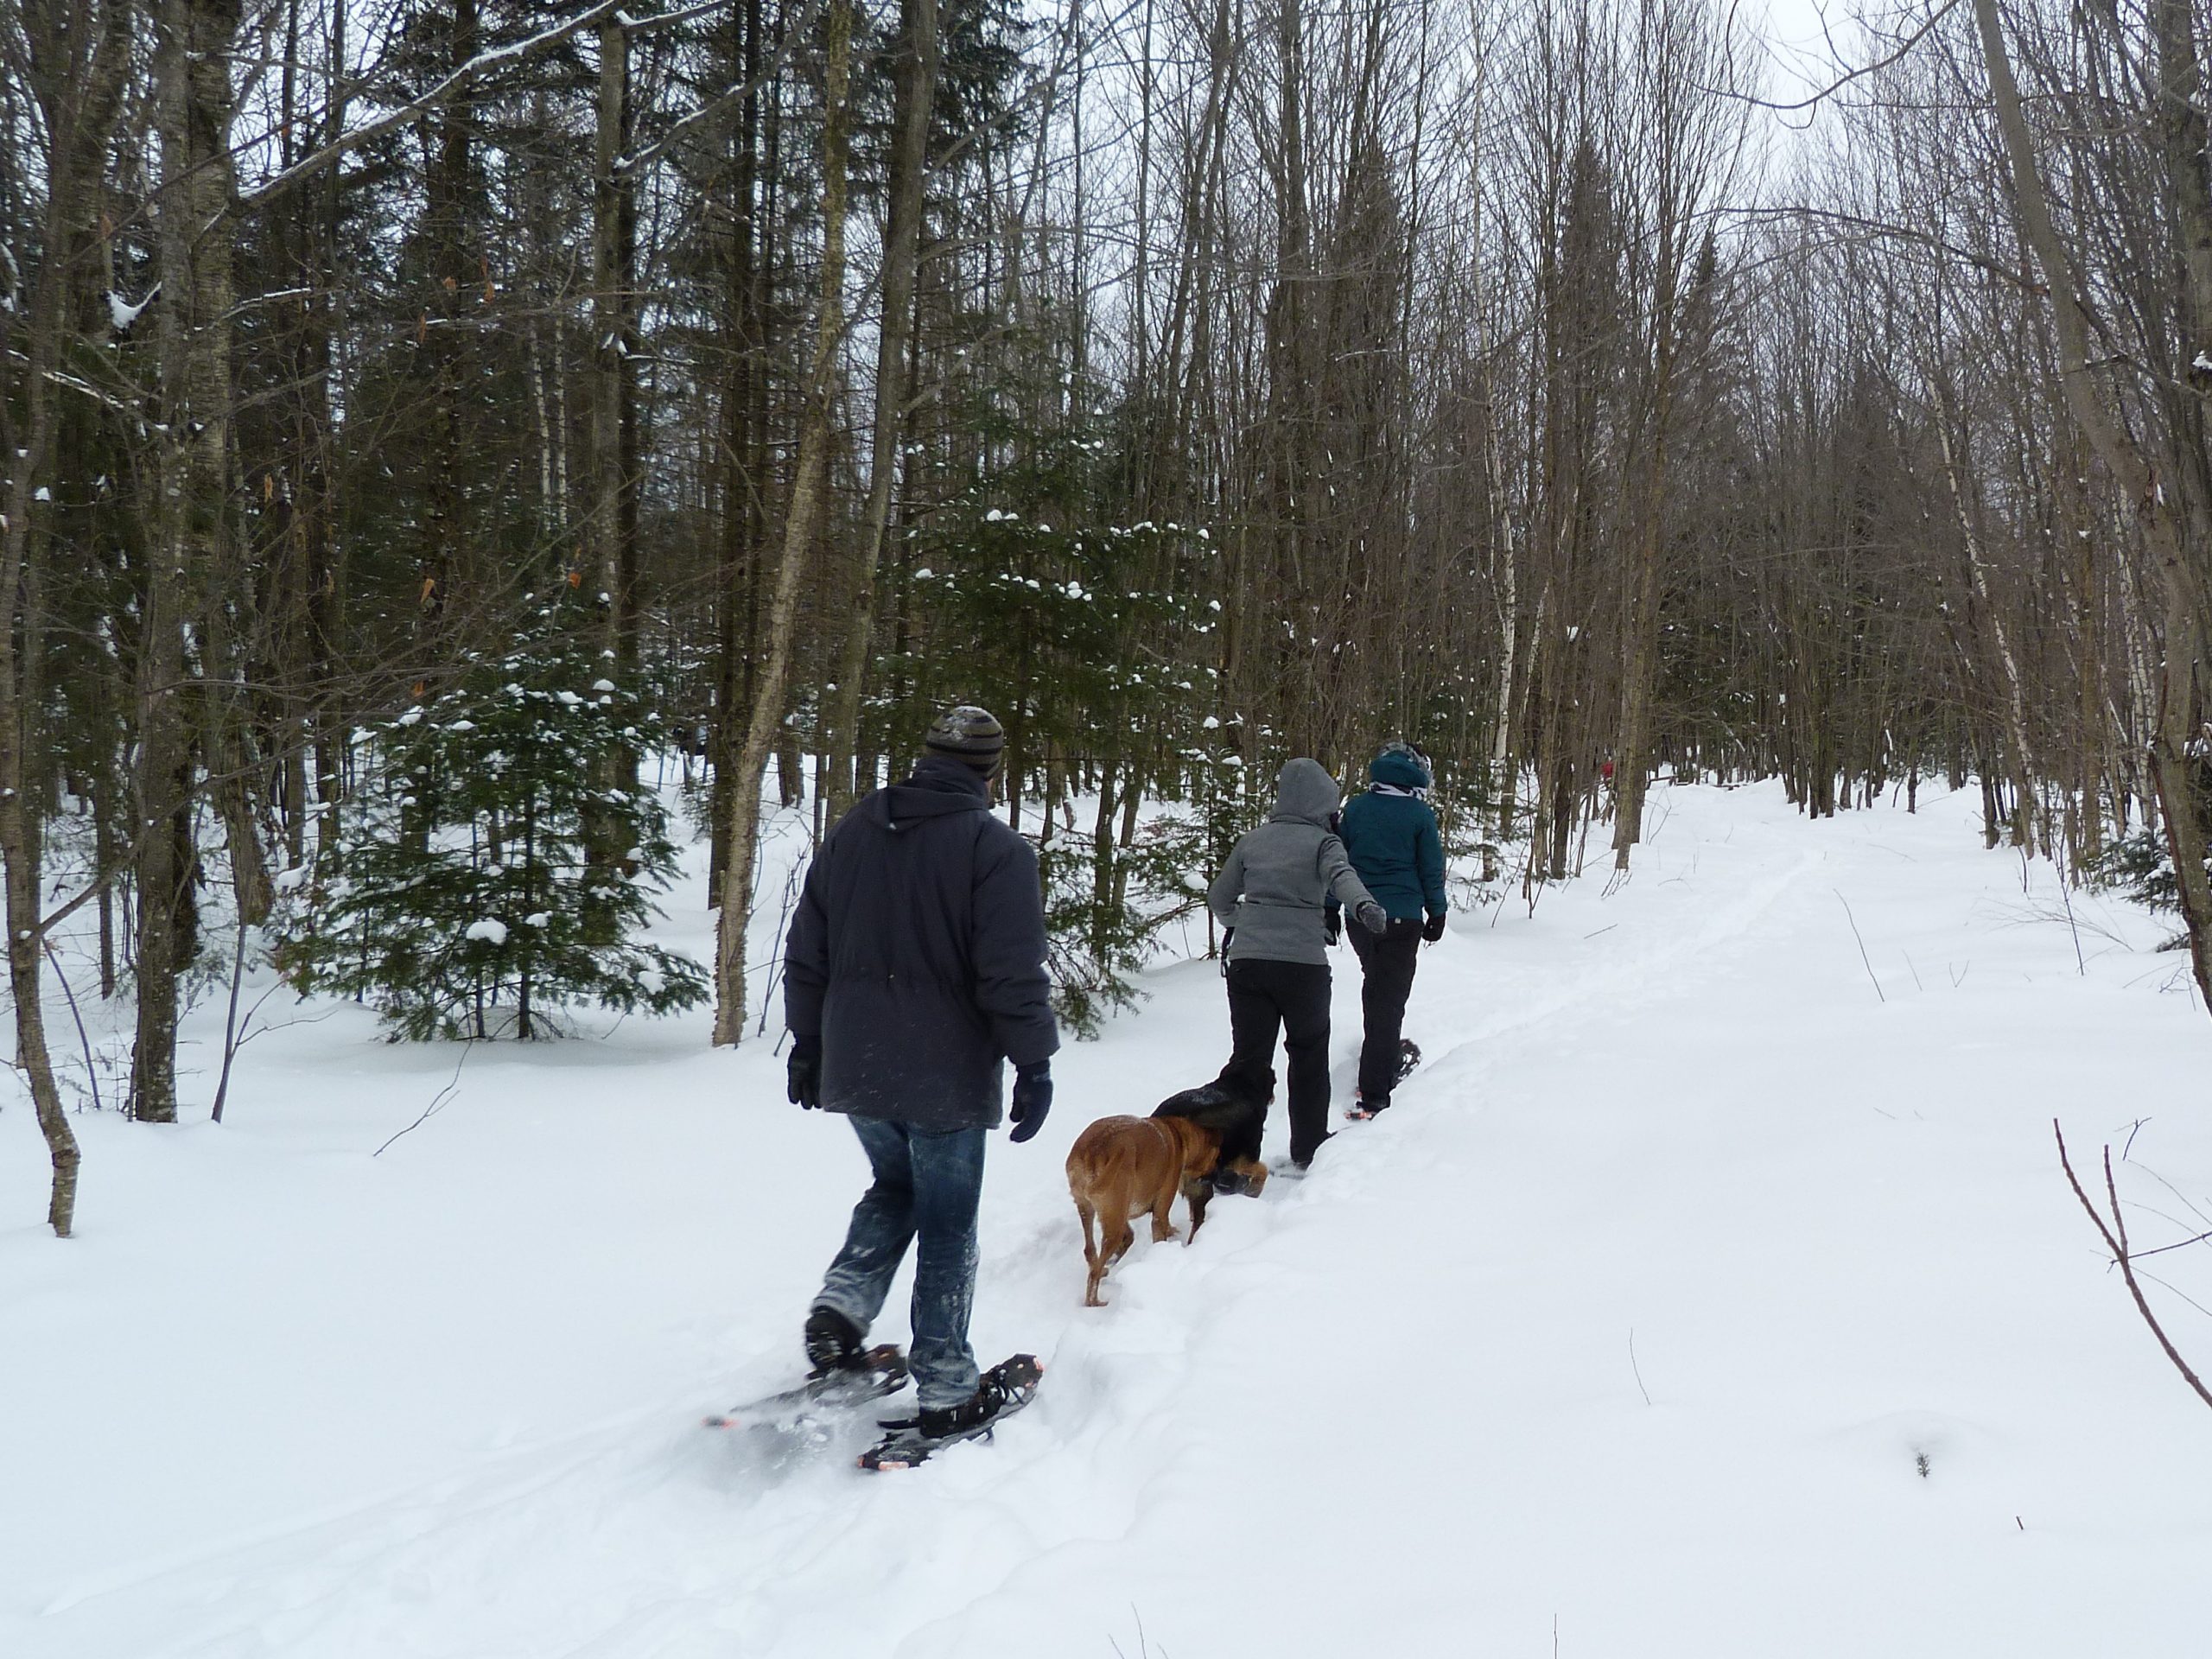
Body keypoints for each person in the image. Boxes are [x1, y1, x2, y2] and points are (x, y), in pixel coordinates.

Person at [782, 704, 1058, 1441]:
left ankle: (839, 1315)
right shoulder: (993, 850)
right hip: (943, 1072)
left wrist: (808, 1043)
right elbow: (1010, 972)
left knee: (896, 1185)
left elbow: (806, 949)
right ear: (990, 772)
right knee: (946, 1222)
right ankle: (946, 1386)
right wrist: (1034, 1062)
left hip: (855, 1060)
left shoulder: (851, 833)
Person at [1207, 758, 1388, 1171]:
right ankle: (1307, 1147)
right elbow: (1342, 878)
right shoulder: (1324, 844)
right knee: (1307, 1055)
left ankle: (1235, 1154)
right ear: (1324, 802)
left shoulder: (1253, 841)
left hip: (1248, 965)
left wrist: (1248, 923)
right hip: (1301, 967)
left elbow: (1219, 898)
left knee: (1249, 1061)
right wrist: (1364, 905)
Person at [1333, 740, 1448, 1119]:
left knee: (1377, 986)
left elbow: (1338, 862)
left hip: (1360, 917)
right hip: (1402, 918)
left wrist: (1330, 907)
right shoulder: (1419, 814)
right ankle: (1375, 1091)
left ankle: (1378, 1060)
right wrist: (1437, 910)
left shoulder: (1357, 808)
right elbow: (1430, 867)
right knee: (1388, 1001)